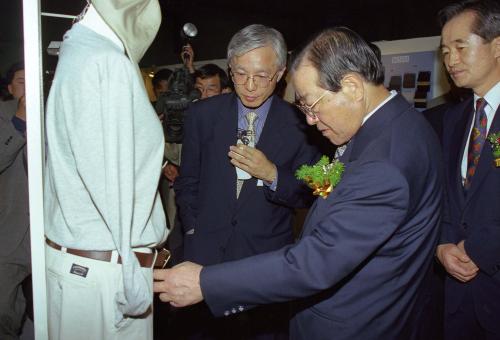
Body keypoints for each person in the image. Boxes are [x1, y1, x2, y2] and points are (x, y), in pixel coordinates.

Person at [154, 26, 443, 340]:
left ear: (351, 87)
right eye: (240, 74)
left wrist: (205, 283)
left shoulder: (384, 161)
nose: (309, 120)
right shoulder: (399, 127)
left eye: (311, 104)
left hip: (351, 320)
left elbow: (316, 259)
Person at [166, 24, 320, 339]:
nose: (249, 86)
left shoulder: (302, 124)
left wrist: (273, 174)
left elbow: (312, 192)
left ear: (279, 73)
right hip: (204, 257)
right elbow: (188, 181)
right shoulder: (203, 116)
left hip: (264, 261)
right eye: (239, 74)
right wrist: (193, 227)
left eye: (261, 76)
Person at [43, 1, 168, 339]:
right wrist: (130, 269)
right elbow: (111, 179)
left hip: (80, 263)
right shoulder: (107, 63)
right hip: (103, 269)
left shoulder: (75, 56)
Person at [436, 1, 500, 339]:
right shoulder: (455, 119)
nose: (450, 60)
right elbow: (449, 195)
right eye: (445, 51)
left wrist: (480, 249)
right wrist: (443, 245)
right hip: (459, 296)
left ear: (497, 45)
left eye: (461, 47)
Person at [0, 62, 30, 340]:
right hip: (10, 231)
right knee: (5, 309)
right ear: (9, 88)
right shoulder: (3, 115)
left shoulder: (54, 112)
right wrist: (19, 121)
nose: (28, 85)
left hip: (51, 232)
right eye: (22, 81)